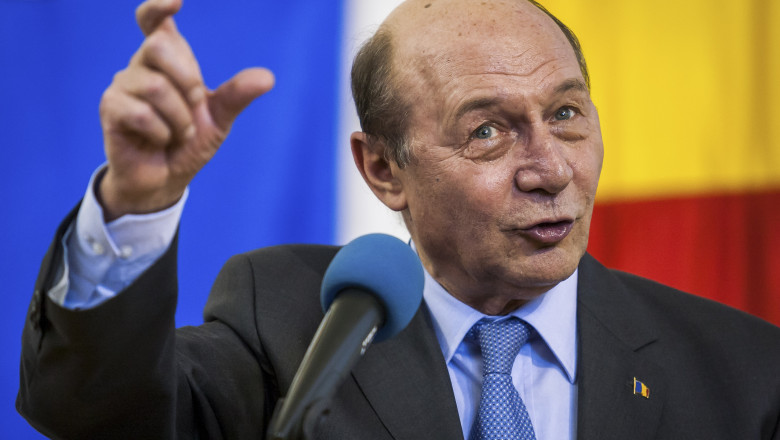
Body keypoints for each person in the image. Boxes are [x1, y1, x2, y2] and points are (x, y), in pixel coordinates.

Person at [17, 0, 780, 438]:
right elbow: (98, 415)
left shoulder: (746, 373)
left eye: (566, 114)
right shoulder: (290, 321)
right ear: (383, 169)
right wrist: (136, 205)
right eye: (488, 130)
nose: (551, 169)